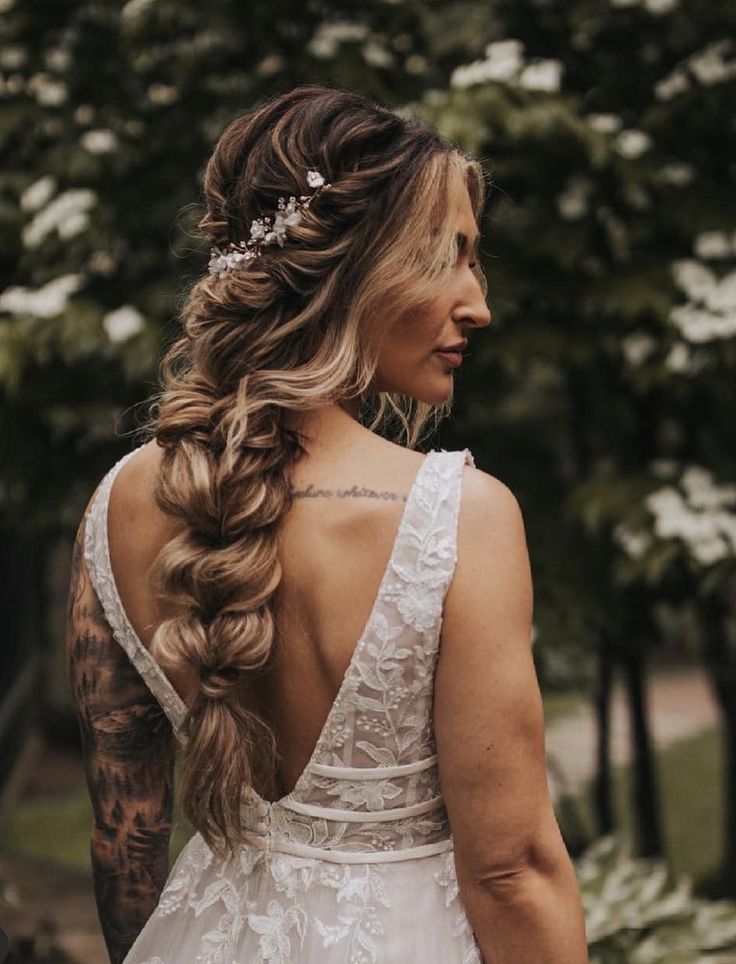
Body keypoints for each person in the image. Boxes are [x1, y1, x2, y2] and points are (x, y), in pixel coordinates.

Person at [65, 84, 589, 963]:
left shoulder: (121, 502)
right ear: (353, 269)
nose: (479, 303)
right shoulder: (459, 516)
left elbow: (126, 841)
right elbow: (511, 870)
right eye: (446, 257)